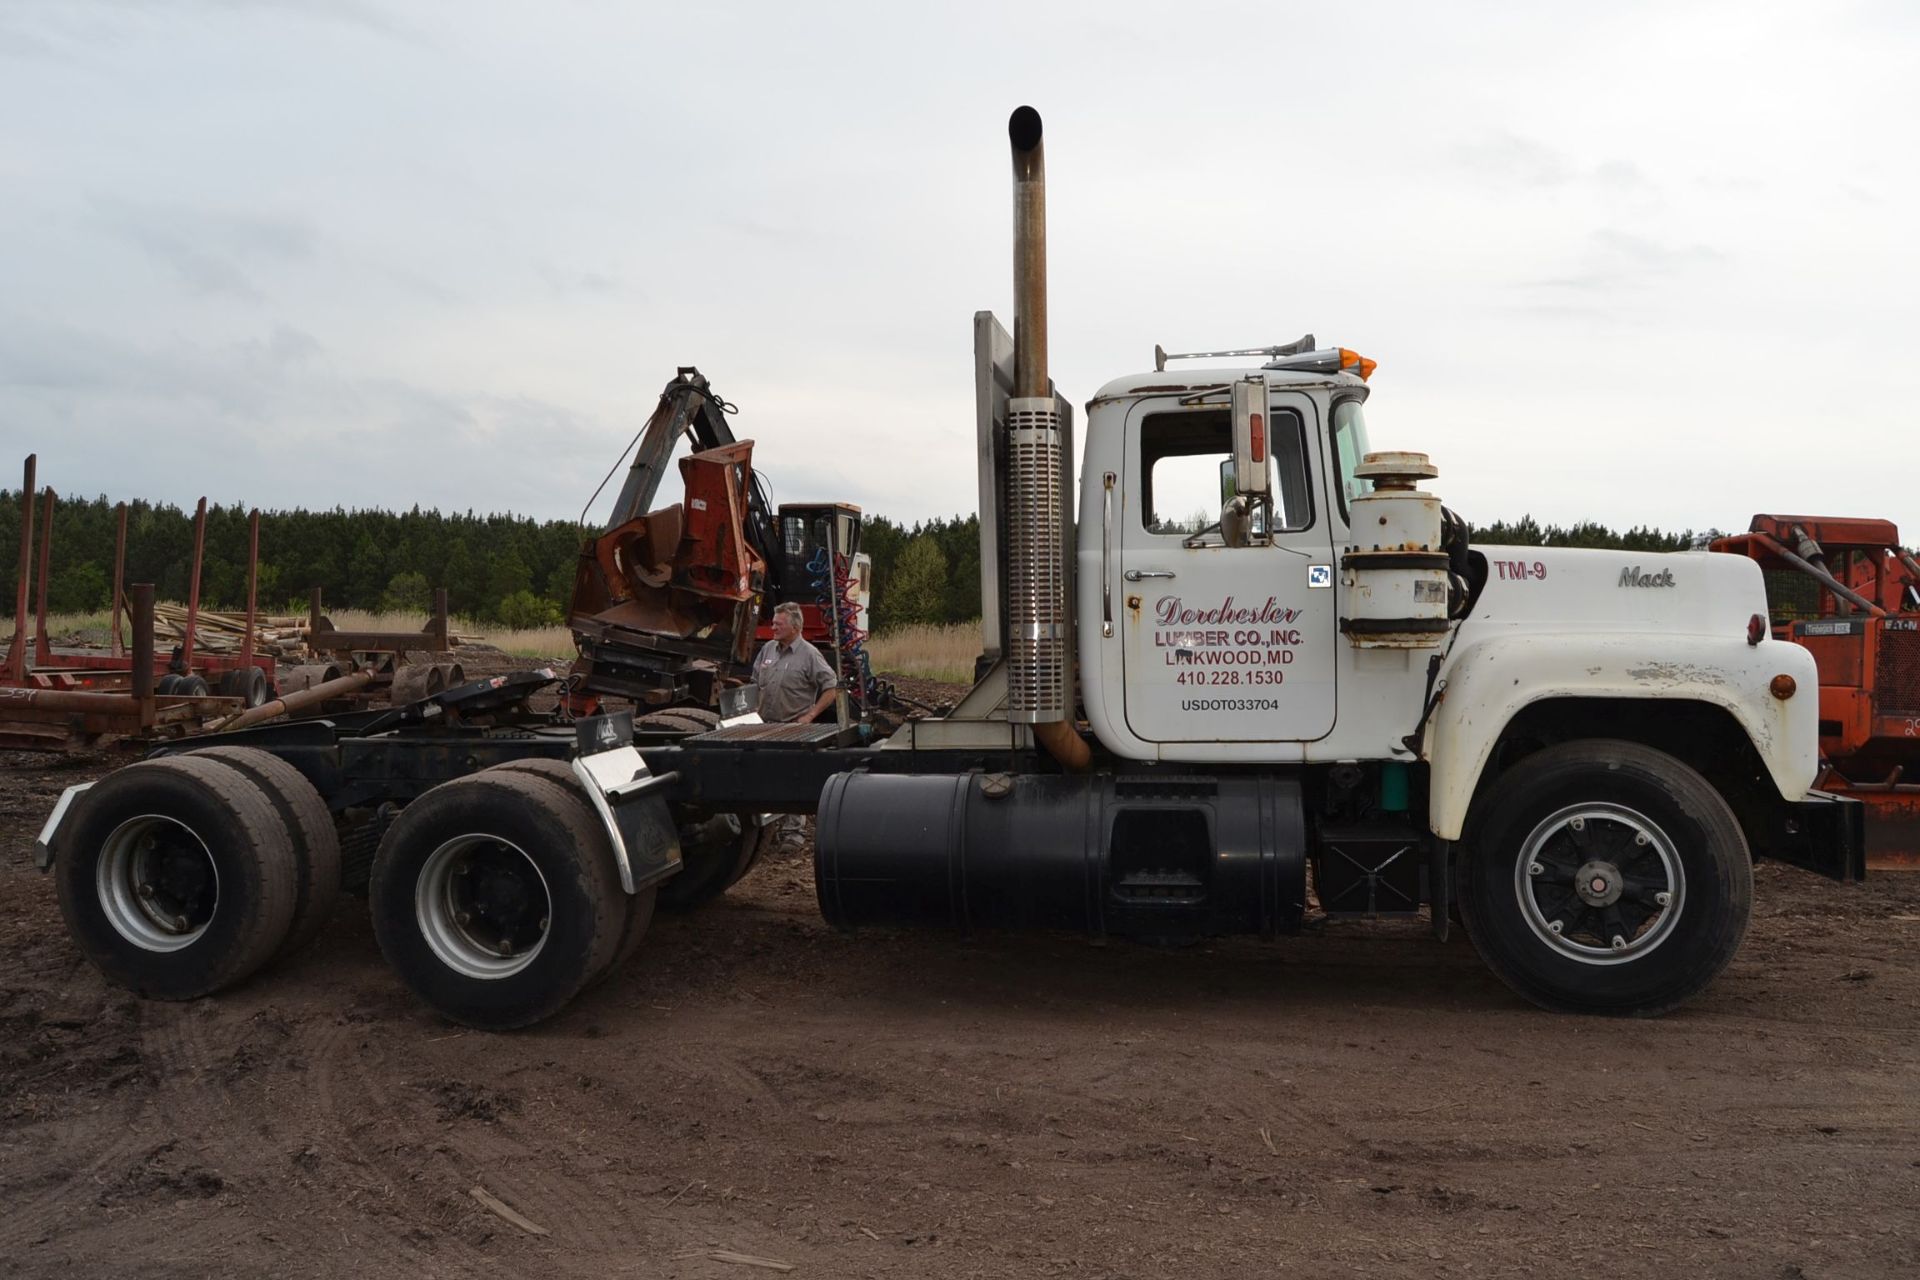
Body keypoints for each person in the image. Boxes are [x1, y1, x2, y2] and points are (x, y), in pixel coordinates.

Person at [750, 602, 839, 723]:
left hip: (794, 731)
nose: (773, 628)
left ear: (795, 628)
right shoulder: (768, 648)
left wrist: (810, 716)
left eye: (778, 624)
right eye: (773, 623)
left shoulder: (810, 654)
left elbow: (832, 687)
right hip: (763, 726)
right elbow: (754, 683)